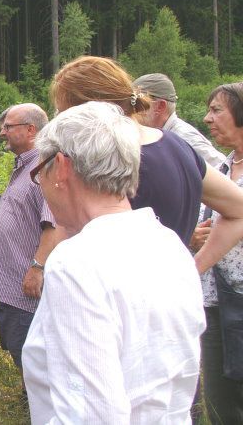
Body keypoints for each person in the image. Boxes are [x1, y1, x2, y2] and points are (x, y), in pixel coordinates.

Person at [23, 101, 205, 423]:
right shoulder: (169, 245)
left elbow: (90, 413)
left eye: (39, 172)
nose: (42, 189)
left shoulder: (77, 261)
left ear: (62, 167)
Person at [51, 56, 243, 259]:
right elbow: (238, 209)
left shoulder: (106, 162)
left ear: (87, 110)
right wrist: (193, 269)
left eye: (62, 113)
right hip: (175, 287)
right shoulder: (177, 145)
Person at [0, 103, 62, 372]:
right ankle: (30, 399)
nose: (2, 132)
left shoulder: (43, 168)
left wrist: (37, 268)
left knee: (30, 353)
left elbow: (55, 226)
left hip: (26, 288)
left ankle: (37, 406)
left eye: (8, 126)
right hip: (12, 285)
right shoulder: (24, 167)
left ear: (30, 130)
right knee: (19, 349)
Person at [193, 83, 243, 423]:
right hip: (212, 300)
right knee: (219, 402)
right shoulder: (222, 169)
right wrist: (193, 236)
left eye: (217, 110)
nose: (208, 118)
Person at [133, 72, 225, 168]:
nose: (130, 110)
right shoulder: (158, 135)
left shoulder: (184, 137)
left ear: (160, 107)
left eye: (137, 103)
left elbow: (225, 170)